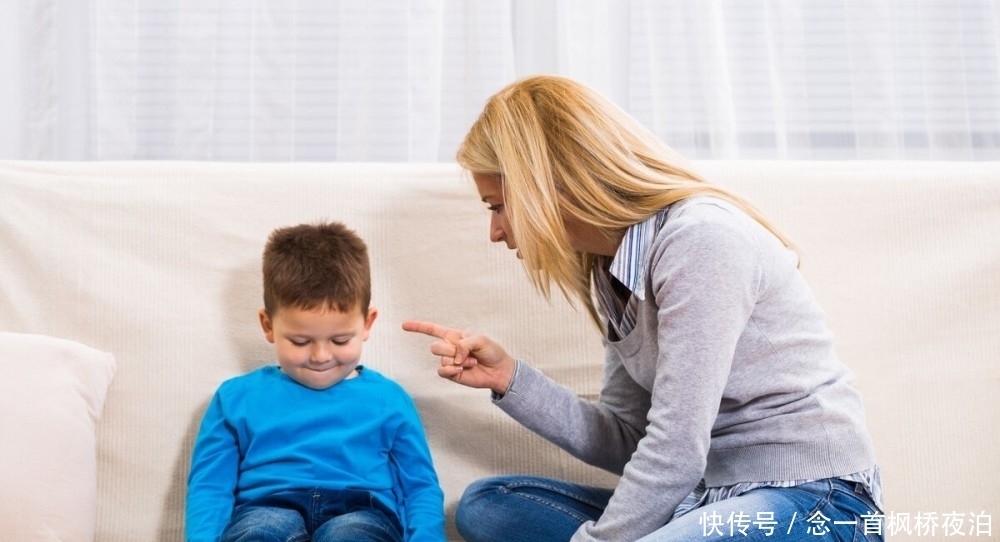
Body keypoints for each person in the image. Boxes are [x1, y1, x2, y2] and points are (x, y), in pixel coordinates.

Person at [403, 75, 883, 542]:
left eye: (496, 206)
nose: (496, 231)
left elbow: (676, 449)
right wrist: (510, 378)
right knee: (491, 505)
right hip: (703, 499)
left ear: (543, 185)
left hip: (814, 500)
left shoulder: (701, 239)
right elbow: (630, 439)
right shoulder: (613, 269)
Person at [187, 221, 445, 542]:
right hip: (266, 507)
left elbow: (419, 486)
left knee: (352, 535)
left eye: (339, 340)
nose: (321, 356)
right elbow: (210, 487)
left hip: (361, 511)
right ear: (268, 325)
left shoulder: (390, 399)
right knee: (259, 533)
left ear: (367, 323)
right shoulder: (234, 399)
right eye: (299, 341)